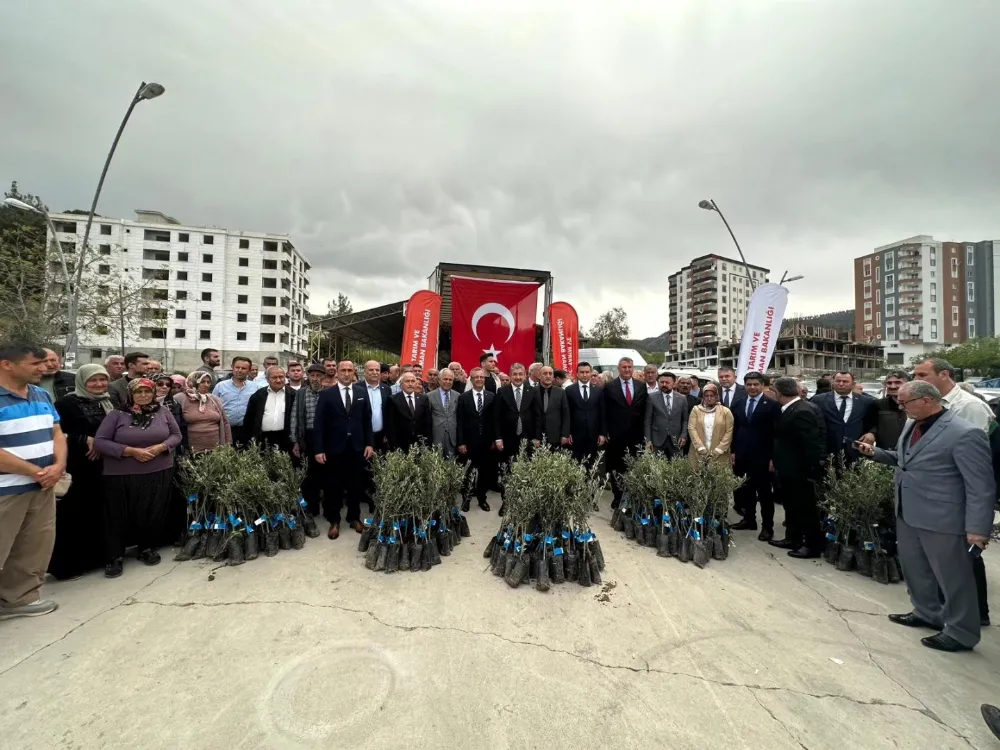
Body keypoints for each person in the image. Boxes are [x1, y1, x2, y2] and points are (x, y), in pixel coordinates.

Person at [857, 381, 995, 652]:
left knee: (953, 578)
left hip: (944, 518)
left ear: (927, 400)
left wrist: (978, 529)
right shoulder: (913, 424)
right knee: (915, 569)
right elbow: (906, 460)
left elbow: (981, 486)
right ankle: (927, 613)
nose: (900, 407)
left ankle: (961, 633)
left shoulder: (964, 433)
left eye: (905, 402)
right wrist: (876, 453)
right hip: (908, 512)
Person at [0, 342, 65, 620]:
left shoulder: (40, 394)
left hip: (42, 487)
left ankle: (17, 599)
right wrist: (35, 471)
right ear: (7, 365)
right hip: (6, 490)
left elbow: (57, 433)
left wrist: (58, 466)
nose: (44, 368)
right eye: (35, 364)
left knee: (32, 546)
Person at [94, 378, 182, 578]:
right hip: (122, 473)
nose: (143, 395)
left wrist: (161, 447)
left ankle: (146, 547)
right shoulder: (117, 415)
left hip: (158, 470)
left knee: (151, 511)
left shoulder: (163, 412)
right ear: (130, 394)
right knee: (118, 515)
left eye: (147, 391)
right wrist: (130, 451)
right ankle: (115, 556)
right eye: (138, 392)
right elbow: (100, 442)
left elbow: (176, 435)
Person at [50, 364, 113, 580]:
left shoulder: (109, 401)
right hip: (79, 465)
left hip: (105, 464)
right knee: (75, 513)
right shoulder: (66, 403)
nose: (99, 384)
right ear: (82, 382)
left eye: (102, 379)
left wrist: (102, 443)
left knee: (101, 511)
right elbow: (57, 432)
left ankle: (100, 558)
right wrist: (85, 439)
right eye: (92, 380)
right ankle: (69, 566)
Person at [313, 361, 374, 540]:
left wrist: (369, 444)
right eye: (343, 370)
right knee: (334, 486)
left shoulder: (362, 393)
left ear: (354, 372)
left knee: (356, 484)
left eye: (349, 370)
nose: (346, 374)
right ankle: (334, 520)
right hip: (334, 448)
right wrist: (319, 449)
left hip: (357, 447)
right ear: (337, 373)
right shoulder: (327, 394)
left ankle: (354, 517)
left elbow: (367, 420)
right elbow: (319, 423)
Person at [769, 376, 826, 559]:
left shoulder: (802, 411)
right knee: (791, 506)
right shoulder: (789, 409)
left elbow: (810, 445)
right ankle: (792, 538)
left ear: (778, 393)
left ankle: (811, 545)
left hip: (800, 472)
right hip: (788, 469)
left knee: (806, 509)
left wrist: (809, 472)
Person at [730, 372, 780, 540]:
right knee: (746, 490)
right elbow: (735, 429)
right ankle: (749, 520)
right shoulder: (739, 403)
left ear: (762, 385)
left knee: (764, 494)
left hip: (763, 457)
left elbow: (776, 434)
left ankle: (767, 527)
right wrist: (733, 451)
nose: (752, 387)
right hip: (742, 455)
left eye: (756, 384)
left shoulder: (772, 405)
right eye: (749, 384)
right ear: (745, 386)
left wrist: (773, 457)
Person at [601, 357, 647, 509]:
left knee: (634, 467)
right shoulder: (609, 387)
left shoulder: (641, 386)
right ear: (618, 368)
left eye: (629, 367)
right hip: (616, 436)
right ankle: (618, 497)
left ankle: (632, 497)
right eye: (624, 367)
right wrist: (605, 431)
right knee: (617, 467)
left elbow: (644, 411)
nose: (627, 370)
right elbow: (604, 411)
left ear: (633, 368)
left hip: (636, 436)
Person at [494, 363, 539, 513]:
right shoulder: (502, 391)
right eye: (515, 374)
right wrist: (498, 438)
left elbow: (537, 416)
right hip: (507, 439)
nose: (518, 377)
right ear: (510, 375)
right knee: (506, 471)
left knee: (527, 471)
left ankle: (524, 502)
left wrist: (537, 437)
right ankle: (506, 502)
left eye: (520, 374)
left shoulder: (532, 391)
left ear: (525, 375)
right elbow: (497, 417)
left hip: (528, 438)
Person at [810, 371, 875, 464]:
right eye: (838, 381)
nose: (841, 384)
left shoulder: (866, 402)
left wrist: (872, 433)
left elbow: (874, 422)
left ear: (853, 384)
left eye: (845, 381)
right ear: (833, 382)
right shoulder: (819, 400)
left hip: (855, 451)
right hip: (828, 452)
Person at [913, 358, 995, 432]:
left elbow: (971, 441)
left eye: (922, 375)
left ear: (944, 375)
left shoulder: (970, 405)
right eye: (914, 376)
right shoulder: (921, 401)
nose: (915, 380)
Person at [456, 367, 496, 512]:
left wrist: (494, 439)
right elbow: (460, 421)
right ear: (471, 379)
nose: (479, 379)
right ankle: (466, 499)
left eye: (481, 377)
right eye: (476, 377)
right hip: (469, 442)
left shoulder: (492, 396)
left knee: (484, 473)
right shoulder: (463, 397)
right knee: (468, 472)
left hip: (486, 442)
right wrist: (461, 442)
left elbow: (495, 420)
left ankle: (482, 499)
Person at [291, 364, 327, 517]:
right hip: (307, 437)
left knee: (326, 472)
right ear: (308, 376)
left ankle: (328, 506)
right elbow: (294, 416)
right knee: (308, 473)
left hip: (326, 437)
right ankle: (311, 506)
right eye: (312, 375)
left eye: (318, 376)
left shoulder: (329, 393)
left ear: (323, 377)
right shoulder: (301, 394)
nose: (315, 379)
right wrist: (295, 441)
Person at [244, 365, 296, 454]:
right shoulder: (258, 396)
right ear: (267, 379)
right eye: (274, 377)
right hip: (263, 440)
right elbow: (249, 420)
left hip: (286, 440)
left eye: (281, 377)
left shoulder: (293, 395)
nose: (278, 380)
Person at [175, 372, 231, 453]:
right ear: (193, 382)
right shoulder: (180, 398)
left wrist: (228, 444)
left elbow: (225, 423)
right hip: (191, 450)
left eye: (208, 382)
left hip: (215, 449)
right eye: (202, 382)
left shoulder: (214, 399)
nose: (206, 385)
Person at [212, 356, 260, 448]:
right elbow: (213, 406)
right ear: (232, 367)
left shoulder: (255, 387)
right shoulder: (220, 386)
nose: (240, 370)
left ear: (249, 370)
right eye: (237, 367)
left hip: (247, 430)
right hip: (226, 430)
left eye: (244, 368)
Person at [566, 361, 606, 469]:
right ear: (577, 373)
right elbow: (567, 413)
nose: (584, 375)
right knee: (576, 464)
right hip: (575, 435)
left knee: (591, 465)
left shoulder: (598, 390)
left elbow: (602, 413)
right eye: (582, 372)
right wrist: (568, 432)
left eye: (587, 372)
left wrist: (602, 433)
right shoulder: (569, 390)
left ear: (591, 373)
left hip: (593, 435)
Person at [687, 383, 734, 469]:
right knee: (697, 474)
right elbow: (691, 428)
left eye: (712, 396)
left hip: (719, 453)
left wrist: (719, 450)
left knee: (718, 475)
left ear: (716, 396)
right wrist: (700, 448)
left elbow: (729, 431)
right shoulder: (696, 410)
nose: (709, 398)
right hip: (698, 450)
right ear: (703, 397)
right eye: (706, 396)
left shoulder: (725, 411)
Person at [860, 371, 910, 450]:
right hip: (886, 452)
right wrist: (872, 433)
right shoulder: (878, 404)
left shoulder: (919, 404)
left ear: (909, 384)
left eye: (898, 382)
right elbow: (870, 425)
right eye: (889, 383)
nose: (893, 386)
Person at [645, 371, 688, 458]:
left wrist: (684, 435)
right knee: (657, 465)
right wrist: (648, 440)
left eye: (667, 382)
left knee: (676, 464)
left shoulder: (682, 398)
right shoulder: (651, 397)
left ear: (674, 384)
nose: (664, 384)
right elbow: (647, 420)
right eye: (662, 382)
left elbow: (685, 419)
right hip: (657, 440)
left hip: (676, 440)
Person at [385, 372, 431, 452]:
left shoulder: (423, 399)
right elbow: (390, 426)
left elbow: (428, 422)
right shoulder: (393, 399)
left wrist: (427, 444)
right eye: (407, 381)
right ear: (401, 384)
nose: (410, 384)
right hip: (401, 445)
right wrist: (394, 446)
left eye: (413, 381)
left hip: (420, 444)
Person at [533, 366, 570, 450]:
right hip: (537, 437)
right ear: (539, 376)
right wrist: (534, 436)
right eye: (545, 373)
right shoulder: (532, 392)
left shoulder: (561, 392)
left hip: (556, 437)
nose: (548, 376)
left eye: (550, 374)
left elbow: (565, 414)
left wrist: (565, 434)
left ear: (553, 377)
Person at [427, 368, 459, 458]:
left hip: (452, 437)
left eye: (450, 380)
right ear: (439, 380)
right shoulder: (429, 396)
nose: (448, 382)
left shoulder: (458, 396)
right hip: (436, 436)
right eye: (445, 379)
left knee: (452, 463)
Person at [154, 374, 189, 453]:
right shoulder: (142, 405)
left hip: (172, 447)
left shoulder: (175, 404)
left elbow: (182, 427)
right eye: (160, 384)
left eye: (168, 385)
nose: (164, 387)